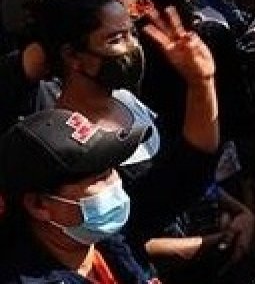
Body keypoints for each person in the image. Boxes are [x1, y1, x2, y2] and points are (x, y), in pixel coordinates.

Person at [0, 108, 152, 282]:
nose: (115, 185)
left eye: (112, 170)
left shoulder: (104, 240)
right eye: (100, 178)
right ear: (38, 205)